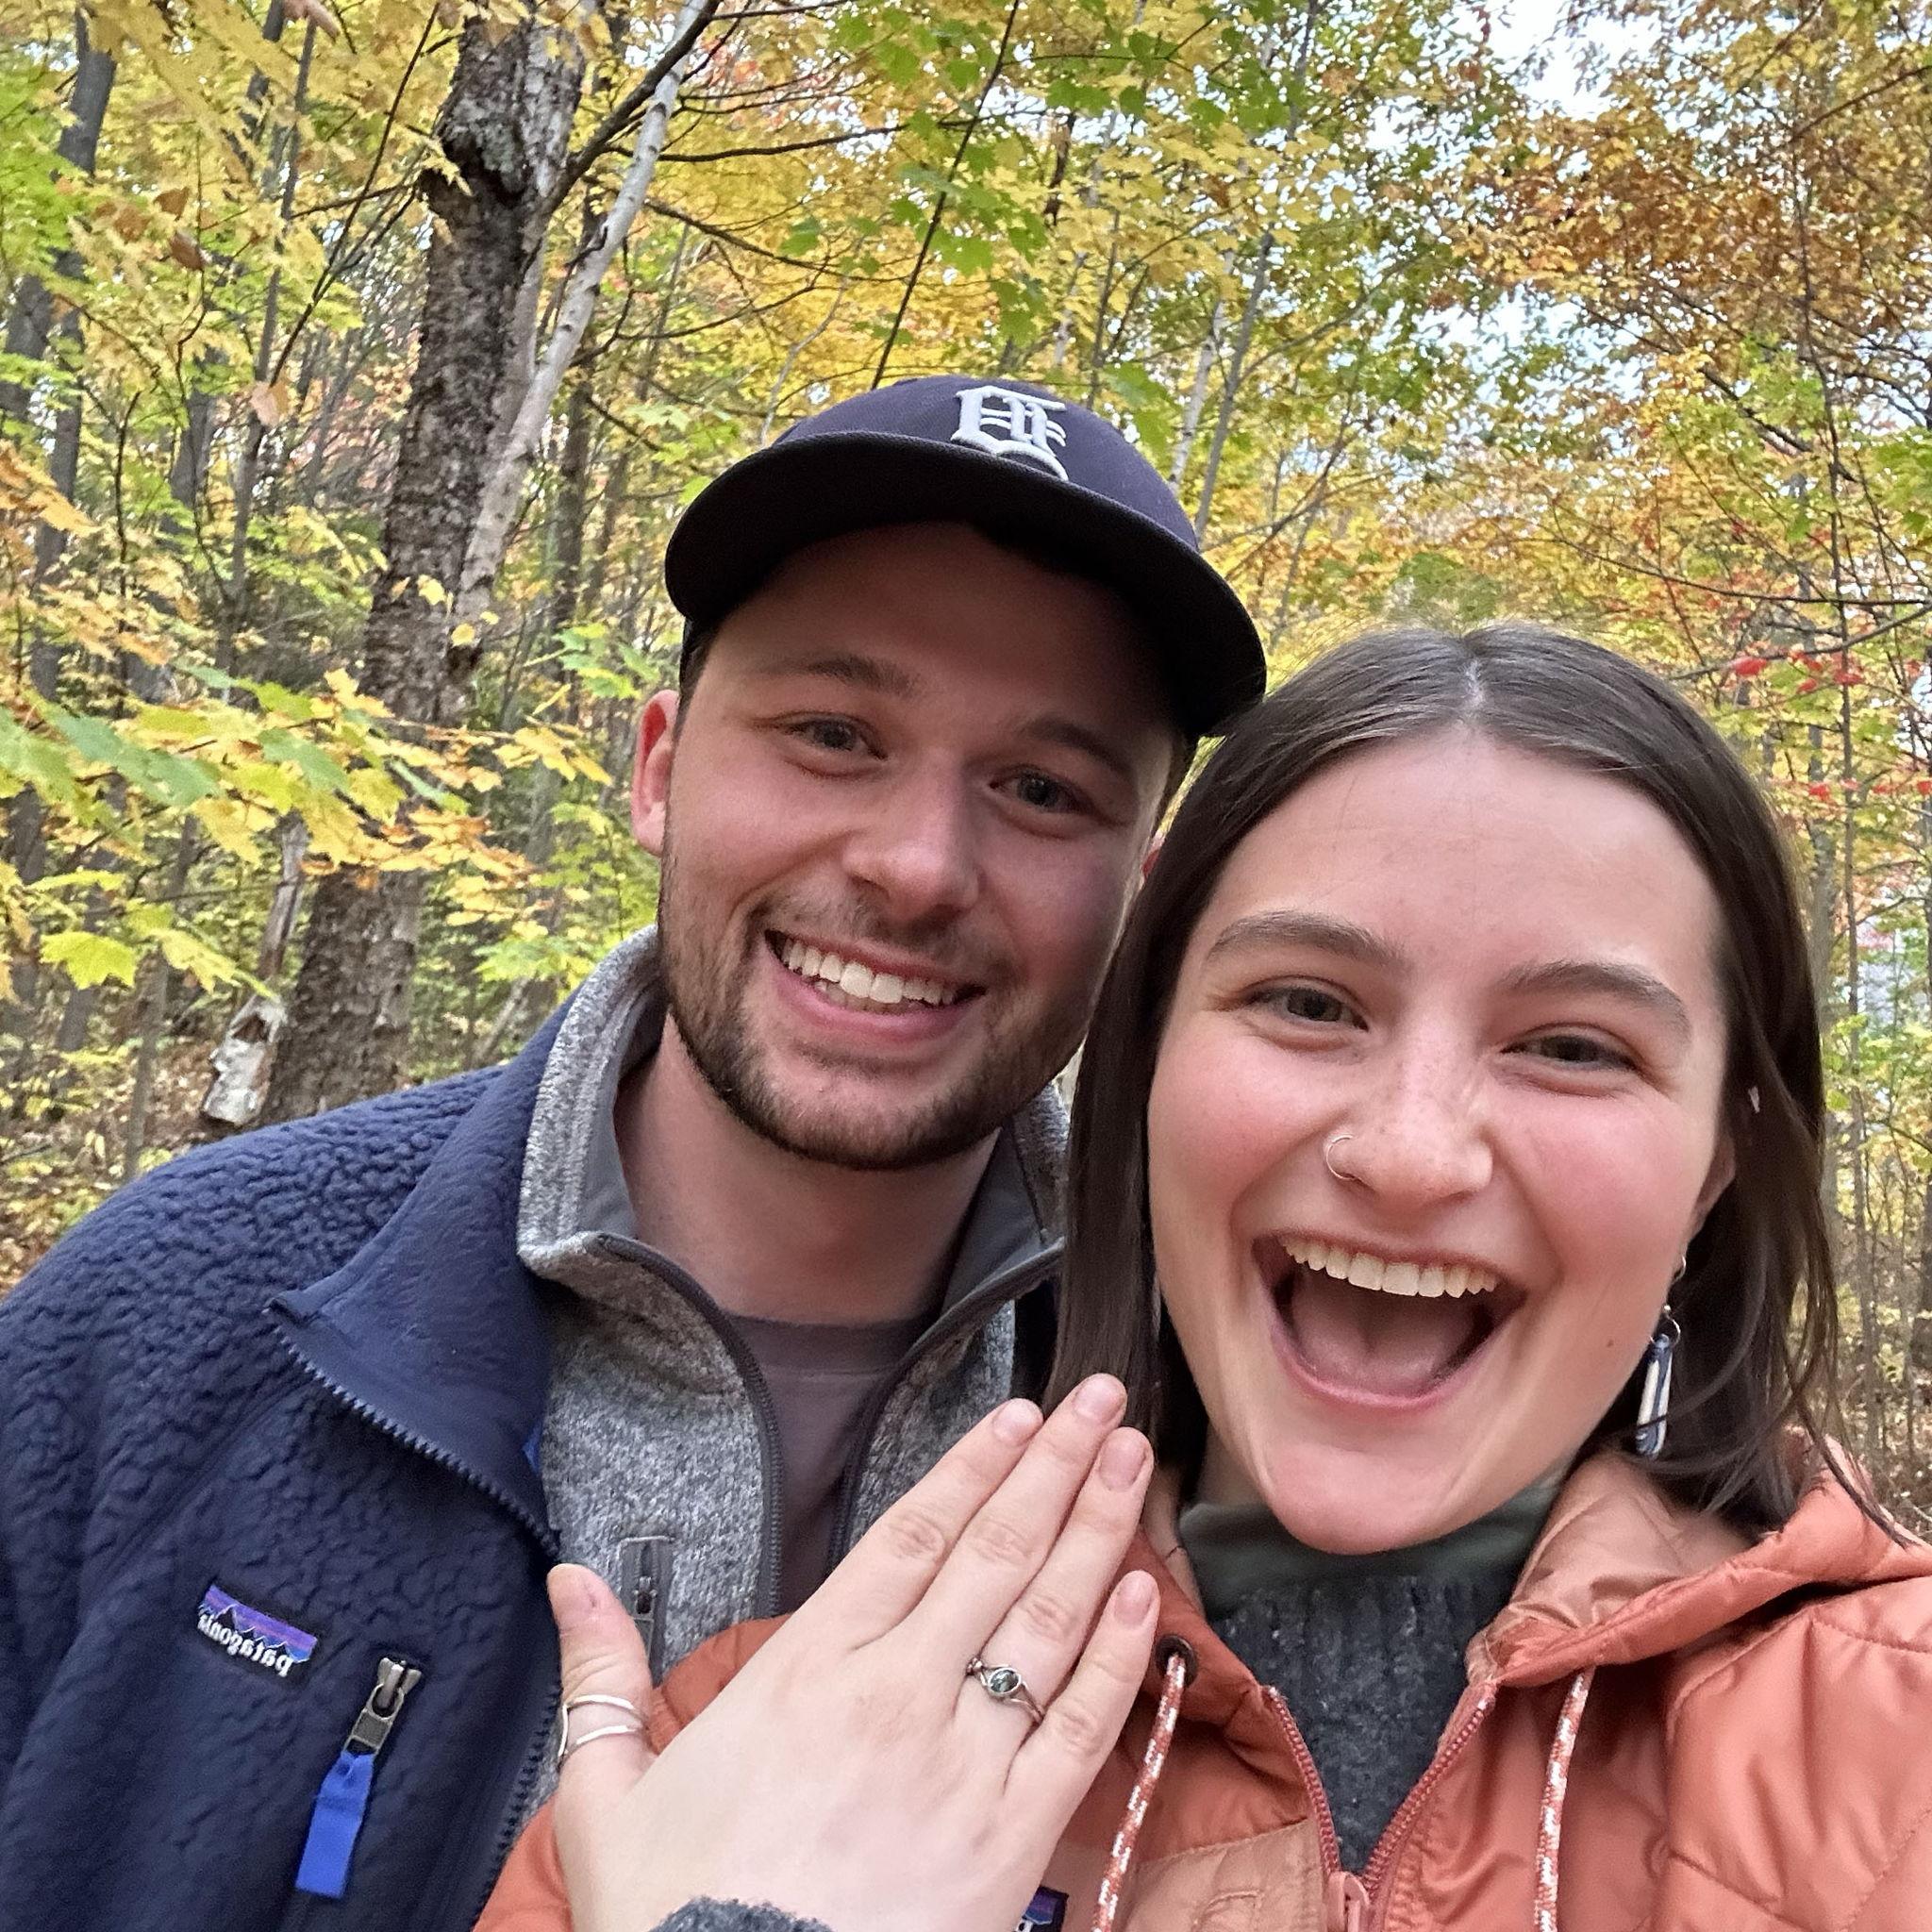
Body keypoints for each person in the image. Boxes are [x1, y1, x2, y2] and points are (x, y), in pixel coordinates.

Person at [0, 375, 1264, 1932]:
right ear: (660, 765)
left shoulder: (1224, 1418)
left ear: (1133, 885)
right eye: (832, 733)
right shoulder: (181, 1314)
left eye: (1040, 789)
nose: (918, 865)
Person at [484, 622, 1932, 1932]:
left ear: (1721, 1159)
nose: (1412, 1153)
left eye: (1572, 1046)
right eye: (1308, 1003)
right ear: (1150, 1066)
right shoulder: (758, 1734)